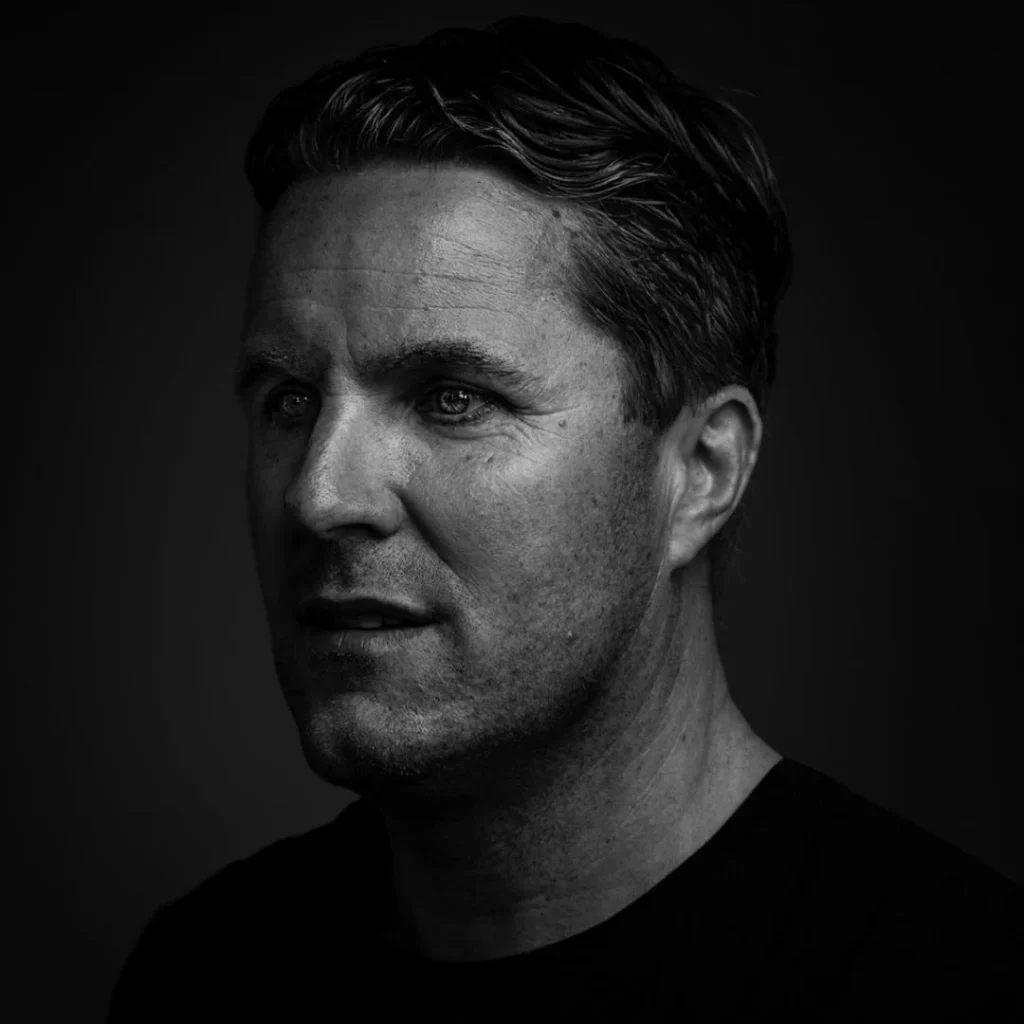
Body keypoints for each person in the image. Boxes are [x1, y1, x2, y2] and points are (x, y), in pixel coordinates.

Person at [108, 16, 1021, 1021]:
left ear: (701, 473)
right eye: (289, 399)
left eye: (452, 398)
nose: (320, 496)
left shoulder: (953, 986)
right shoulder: (203, 971)